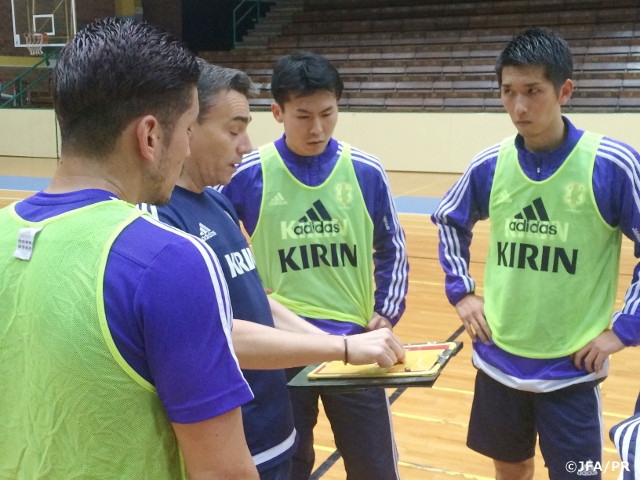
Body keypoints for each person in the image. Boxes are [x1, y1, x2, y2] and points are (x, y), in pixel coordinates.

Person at [0, 18, 259, 479]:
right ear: (150, 136)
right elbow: (223, 473)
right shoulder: (165, 261)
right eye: (185, 131)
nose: (185, 147)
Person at [139, 59, 407, 480]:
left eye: (327, 114)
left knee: (374, 466)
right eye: (233, 130)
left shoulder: (216, 204)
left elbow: (257, 300)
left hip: (321, 367)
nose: (244, 145)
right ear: (187, 126)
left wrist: (347, 342)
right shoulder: (169, 214)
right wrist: (337, 349)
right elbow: (214, 331)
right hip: (264, 389)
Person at [431, 26, 640, 480]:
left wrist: (624, 329)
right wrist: (462, 293)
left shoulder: (612, 165)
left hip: (572, 370)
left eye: (533, 91)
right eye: (508, 92)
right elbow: (448, 220)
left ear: (564, 90)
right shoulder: (490, 163)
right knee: (511, 471)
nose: (519, 107)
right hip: (498, 362)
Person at [218, 52, 410, 480]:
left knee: (375, 467)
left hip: (354, 348)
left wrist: (387, 313)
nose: (317, 128)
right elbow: (216, 247)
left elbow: (391, 245)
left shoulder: (365, 170)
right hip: (281, 350)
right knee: (290, 465)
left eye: (327, 113)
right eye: (303, 116)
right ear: (277, 112)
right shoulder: (247, 173)